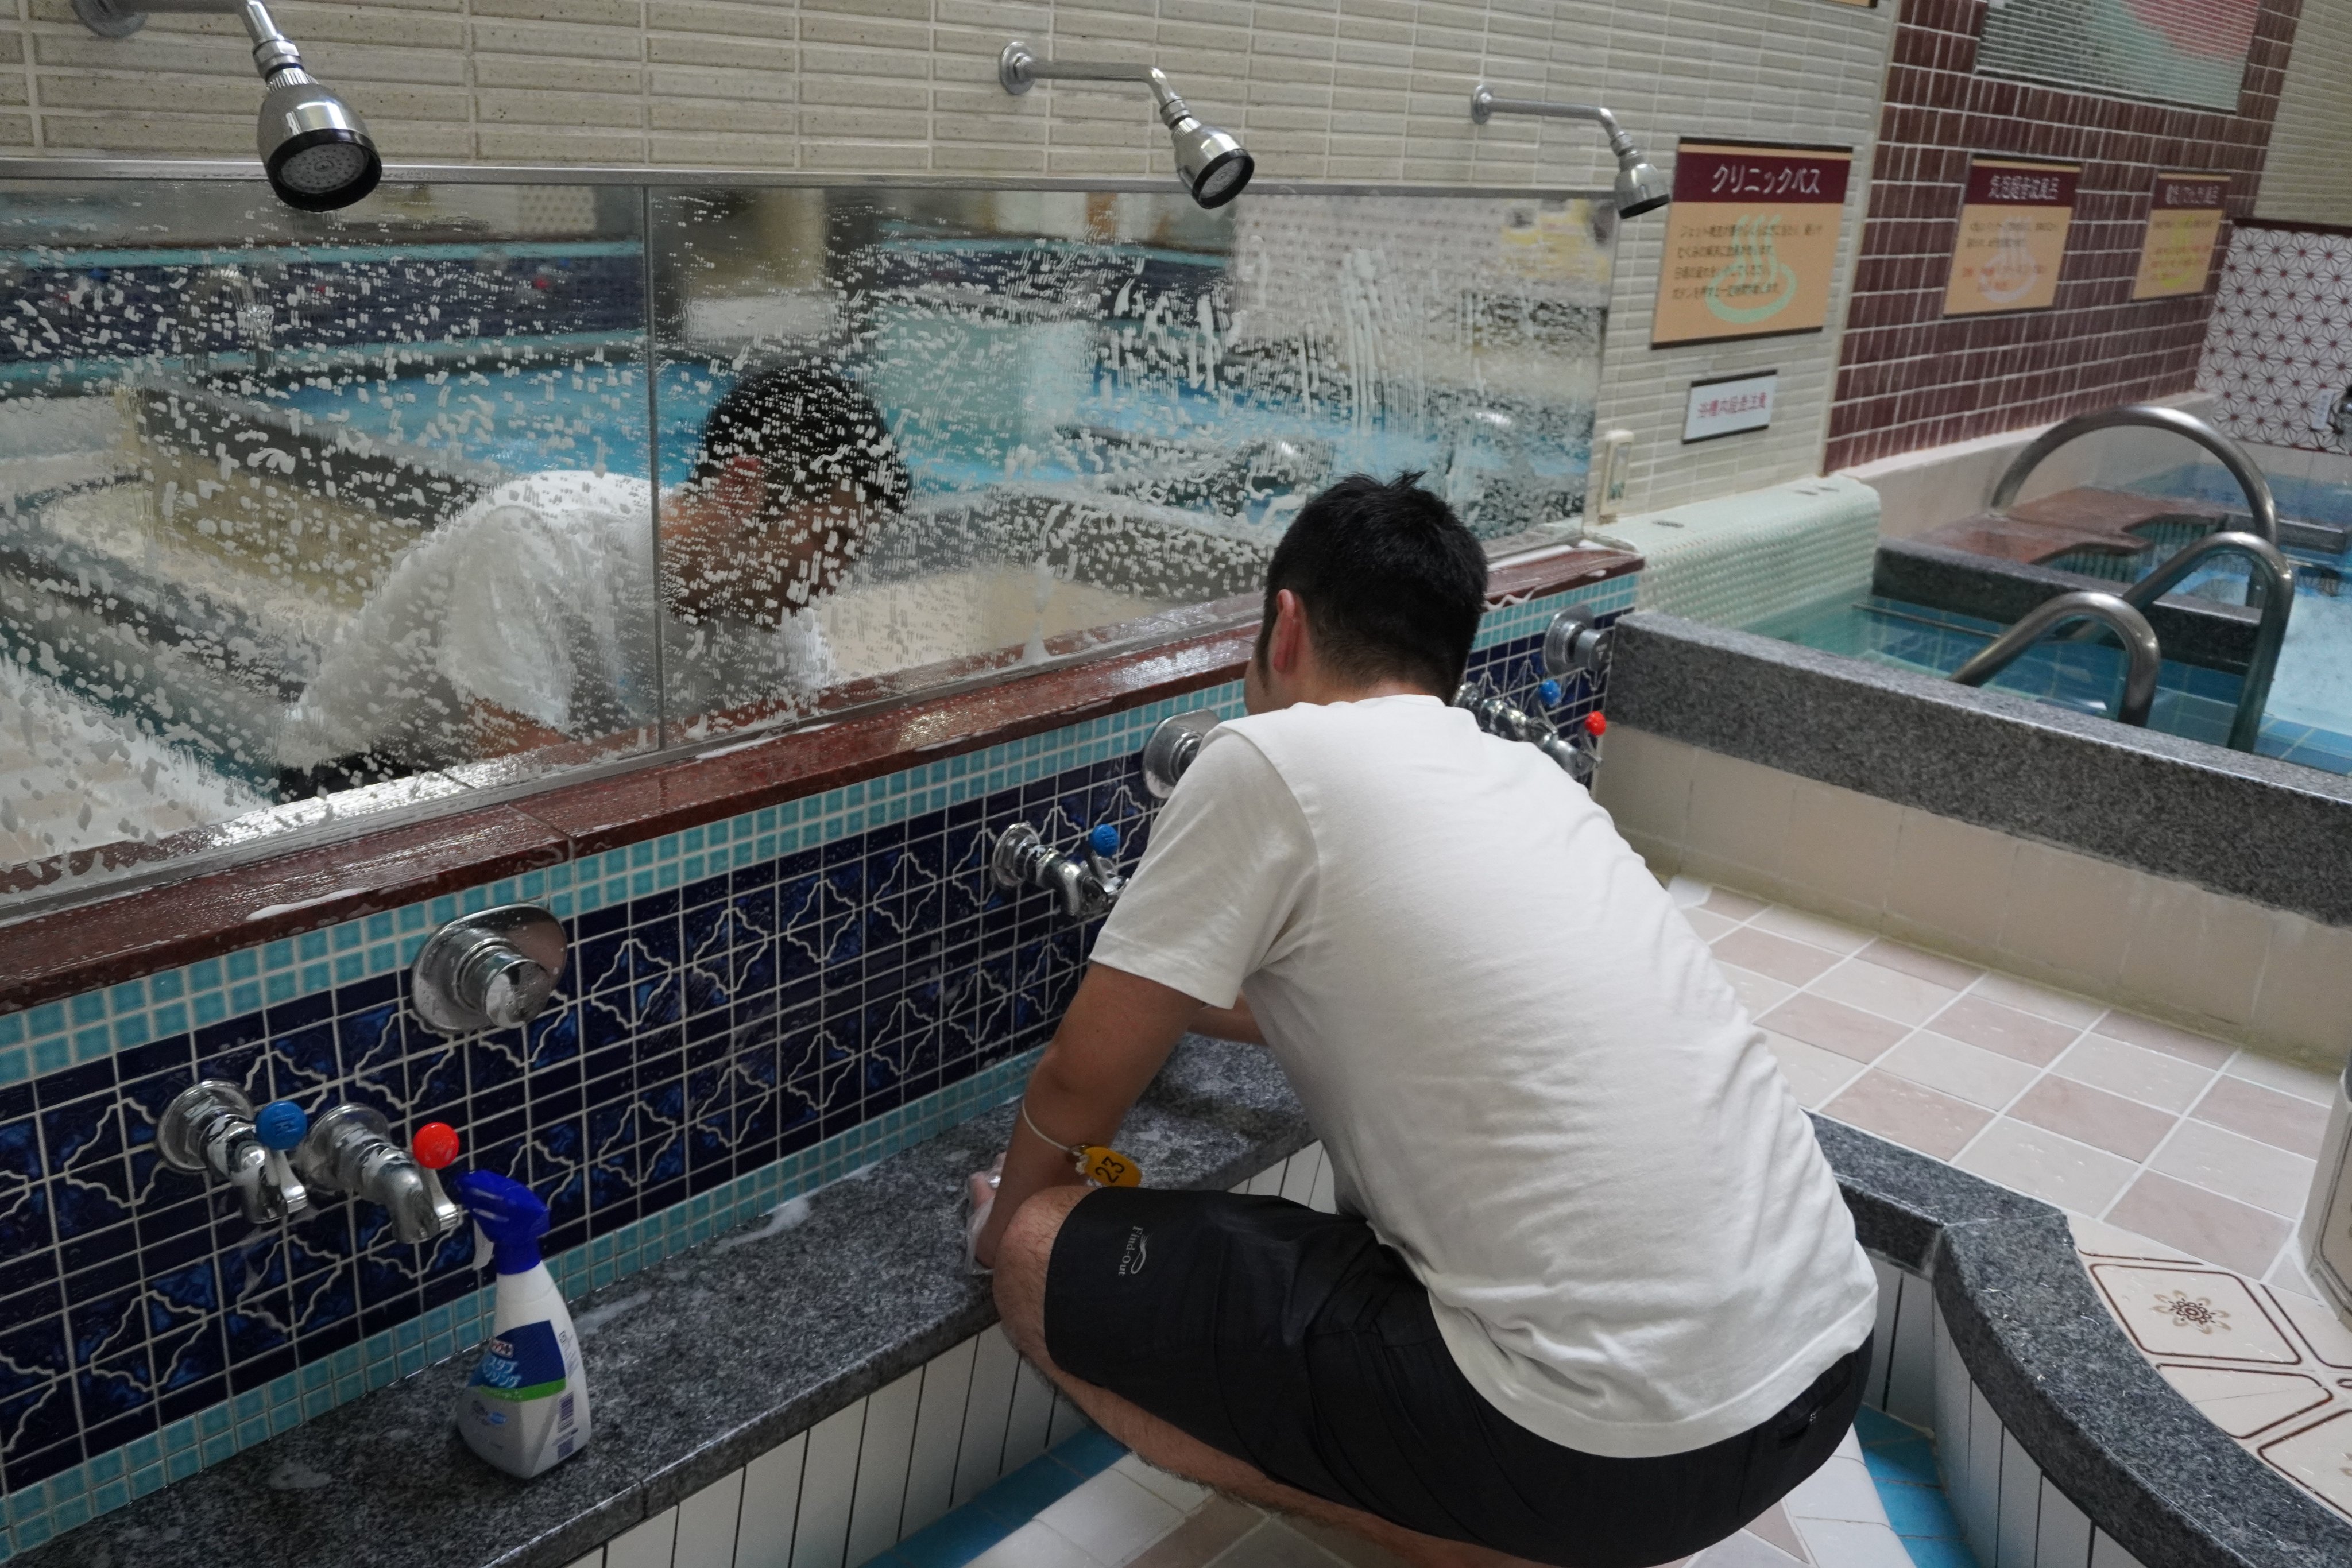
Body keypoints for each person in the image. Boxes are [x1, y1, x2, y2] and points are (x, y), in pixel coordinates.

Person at [966, 473, 1878, 1568]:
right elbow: (1394, 1001)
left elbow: (1079, 1079)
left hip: (1598, 1457)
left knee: (1036, 1253)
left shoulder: (1267, 755)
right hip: (1817, 1380)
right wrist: (1173, 988)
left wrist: (1005, 1221)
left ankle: (1480, 1542)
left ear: (1286, 627)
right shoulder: (1530, 780)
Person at [278, 363, 910, 785]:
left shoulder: (766, 592)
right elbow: (524, 781)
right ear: (743, 490)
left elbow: (819, 745)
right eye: (833, 542)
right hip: (359, 782)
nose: (836, 577)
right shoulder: (539, 536)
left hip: (510, 784)